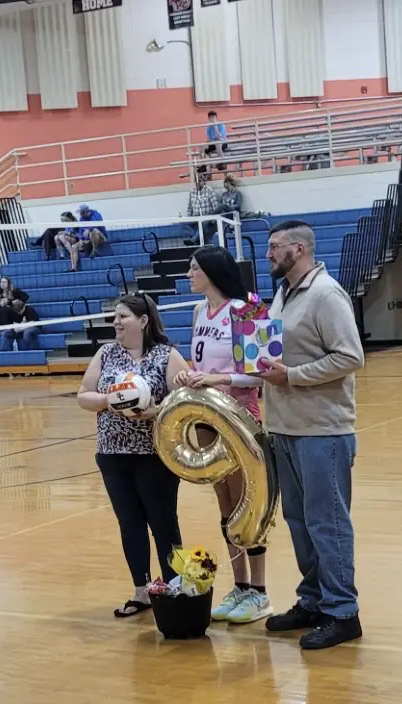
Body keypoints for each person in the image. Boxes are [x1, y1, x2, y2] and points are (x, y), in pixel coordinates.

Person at [260, 220, 366, 650]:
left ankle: (343, 612)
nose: (268, 254)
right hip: (284, 427)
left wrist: (294, 377)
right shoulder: (282, 293)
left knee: (328, 523)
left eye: (275, 247)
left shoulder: (326, 294)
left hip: (323, 430)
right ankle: (314, 600)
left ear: (299, 249)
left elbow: (351, 355)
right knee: (300, 523)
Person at [173, 246, 271, 624]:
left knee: (249, 504)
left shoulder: (249, 308)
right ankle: (240, 586)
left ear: (213, 272)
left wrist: (217, 378)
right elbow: (200, 362)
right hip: (205, 416)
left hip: (239, 416)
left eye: (194, 268)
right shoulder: (199, 311)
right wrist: (189, 374)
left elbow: (263, 371)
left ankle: (260, 593)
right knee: (225, 505)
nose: (188, 274)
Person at [77, 294, 189, 617]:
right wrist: (107, 402)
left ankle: (176, 585)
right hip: (113, 454)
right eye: (114, 317)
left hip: (155, 455)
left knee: (164, 523)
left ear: (142, 321)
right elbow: (83, 396)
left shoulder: (166, 355)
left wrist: (154, 410)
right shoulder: (106, 353)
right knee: (130, 524)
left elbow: (186, 398)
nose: (116, 323)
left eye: (122, 316)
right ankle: (141, 591)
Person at [184, 168, 219, 246]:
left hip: (207, 216)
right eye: (196, 182)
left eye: (199, 181)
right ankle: (196, 237)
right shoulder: (192, 191)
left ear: (203, 181)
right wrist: (188, 218)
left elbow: (215, 206)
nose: (197, 183)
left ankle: (193, 240)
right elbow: (189, 207)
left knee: (203, 223)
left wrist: (213, 218)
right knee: (182, 223)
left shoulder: (209, 190)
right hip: (195, 216)